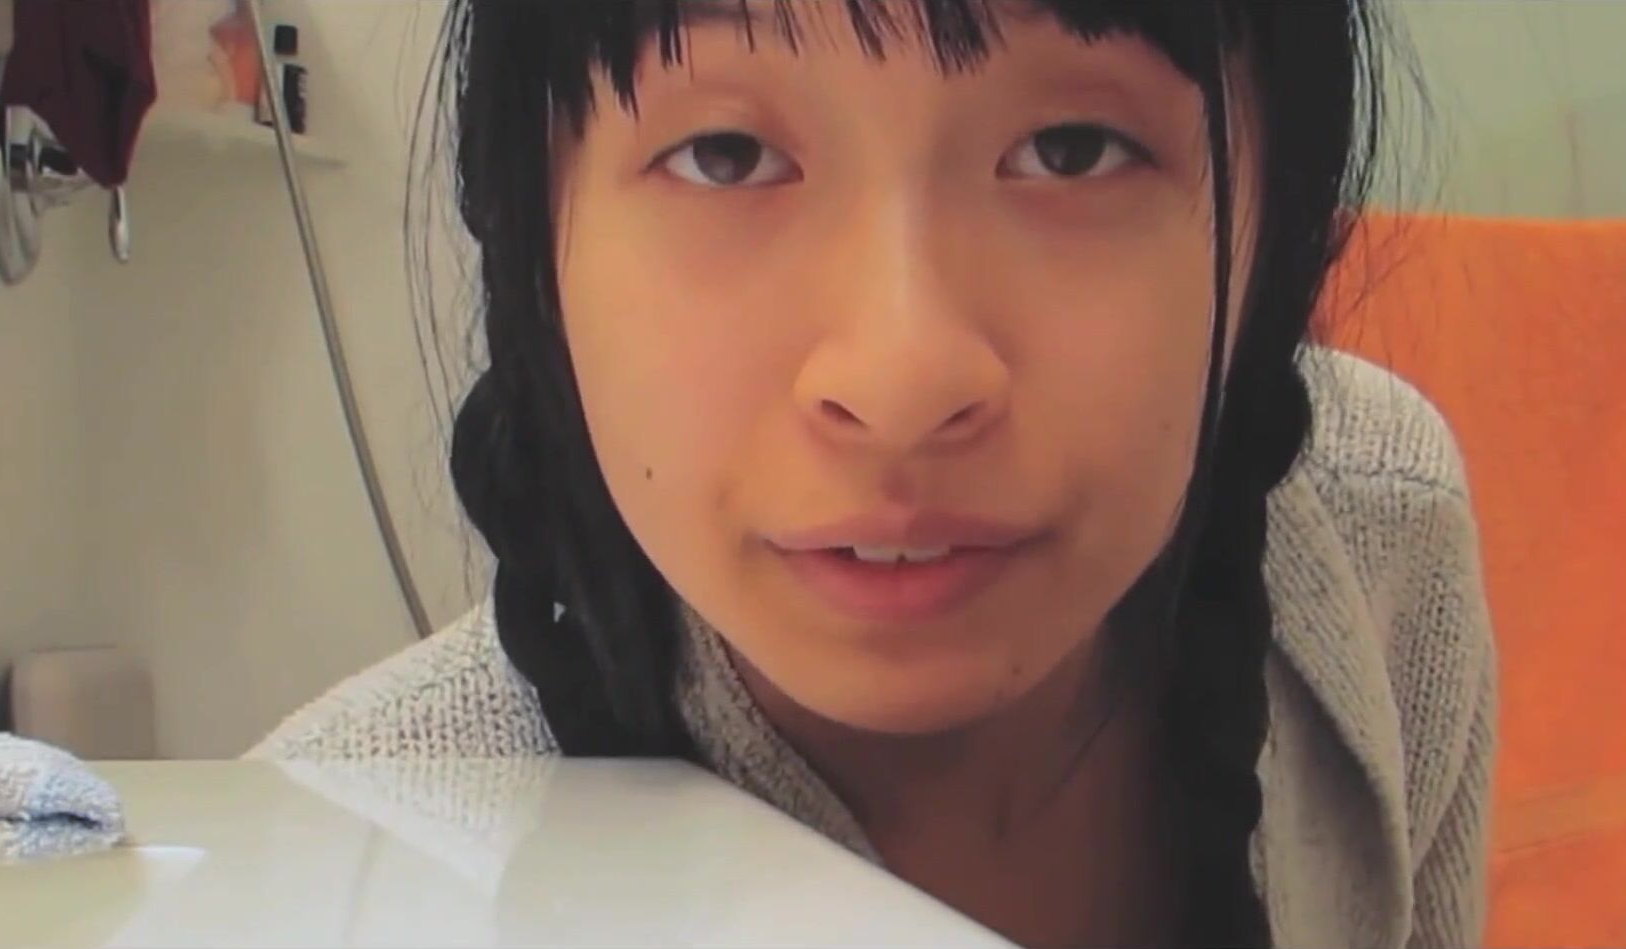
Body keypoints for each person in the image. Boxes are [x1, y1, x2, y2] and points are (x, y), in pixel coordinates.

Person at [251, 2, 1497, 947]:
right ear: (539, 235)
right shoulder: (313, 877)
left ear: (1280, 225)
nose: (903, 378)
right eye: (725, 155)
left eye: (1070, 149)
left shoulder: (1374, 543)